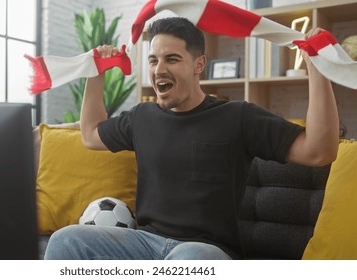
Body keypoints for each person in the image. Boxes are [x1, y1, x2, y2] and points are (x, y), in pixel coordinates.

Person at [44, 17, 339, 260]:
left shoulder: (238, 116)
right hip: (144, 246)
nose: (159, 69)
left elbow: (318, 151)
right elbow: (91, 134)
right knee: (66, 240)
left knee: (190, 260)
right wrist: (95, 75)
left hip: (205, 252)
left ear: (199, 65)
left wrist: (317, 70)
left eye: (172, 59)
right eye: (154, 60)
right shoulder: (142, 117)